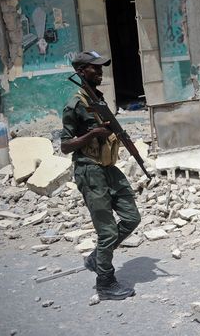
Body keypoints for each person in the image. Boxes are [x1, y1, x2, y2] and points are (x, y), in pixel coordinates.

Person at [61, 51, 141, 300]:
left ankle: (97, 257)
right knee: (106, 232)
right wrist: (93, 134)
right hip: (89, 170)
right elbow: (65, 146)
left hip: (108, 168)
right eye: (95, 68)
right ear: (82, 71)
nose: (100, 72)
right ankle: (105, 282)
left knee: (131, 218)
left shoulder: (98, 99)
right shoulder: (75, 104)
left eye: (101, 67)